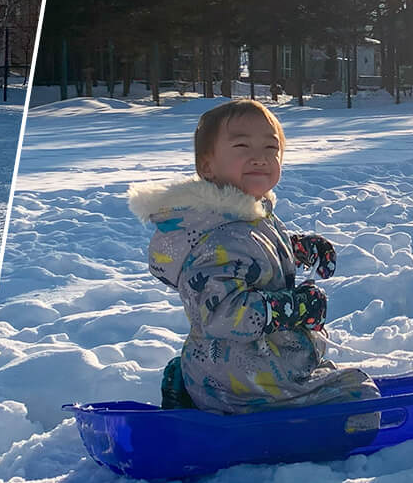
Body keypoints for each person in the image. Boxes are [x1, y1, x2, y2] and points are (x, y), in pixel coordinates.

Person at [127, 100, 376, 414]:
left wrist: (295, 248)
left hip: (243, 364)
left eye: (271, 147)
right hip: (243, 379)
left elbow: (248, 257)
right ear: (207, 166)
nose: (260, 157)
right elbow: (219, 312)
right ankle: (216, 404)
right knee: (360, 398)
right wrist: (292, 308)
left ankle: (193, 387)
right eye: (242, 145)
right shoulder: (222, 233)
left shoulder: (240, 218)